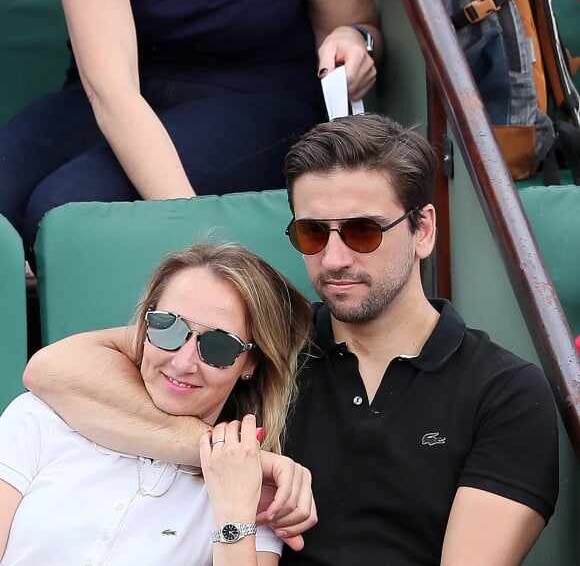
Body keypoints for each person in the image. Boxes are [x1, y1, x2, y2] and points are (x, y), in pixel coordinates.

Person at [24, 113, 559, 564]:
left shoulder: (504, 391)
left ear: (422, 230)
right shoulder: (254, 346)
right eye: (311, 232)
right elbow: (53, 372)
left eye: (362, 231)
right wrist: (238, 459)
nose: (334, 259)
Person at [0, 0, 382, 262]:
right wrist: (191, 228)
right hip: (117, 90)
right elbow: (112, 91)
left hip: (257, 100)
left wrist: (354, 39)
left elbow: (358, 24)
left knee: (66, 209)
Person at [0, 242, 314, 564]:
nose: (183, 363)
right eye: (167, 327)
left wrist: (235, 512)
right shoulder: (41, 416)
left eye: (219, 346)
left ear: (250, 363)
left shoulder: (253, 489)